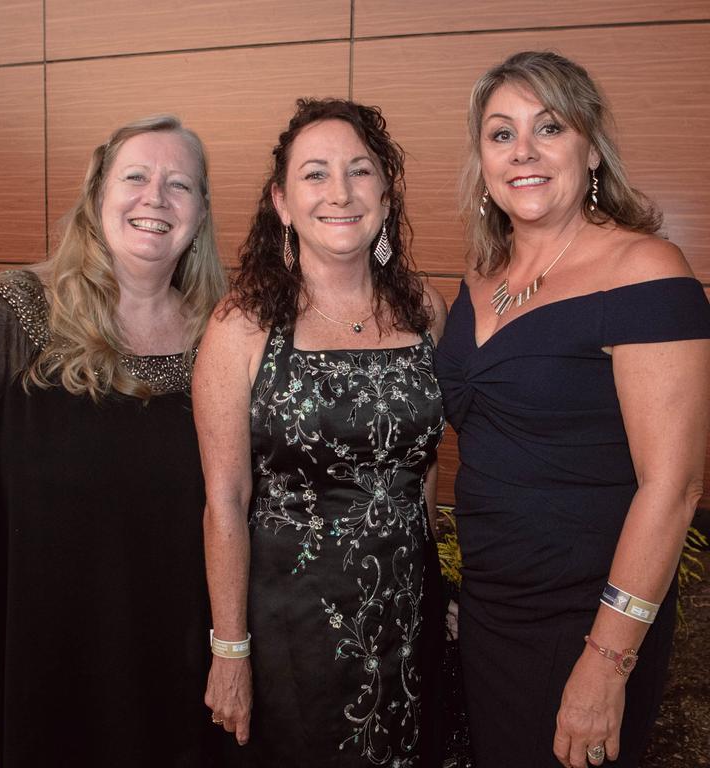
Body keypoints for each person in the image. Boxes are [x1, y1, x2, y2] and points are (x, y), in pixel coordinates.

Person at [434, 50, 710, 768]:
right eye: (500, 133)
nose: (522, 151)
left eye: (548, 127)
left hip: (587, 622)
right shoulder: (479, 277)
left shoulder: (646, 270)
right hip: (489, 608)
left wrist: (607, 663)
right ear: (483, 160)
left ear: (590, 147)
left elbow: (673, 488)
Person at [0, 115, 227, 767]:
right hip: (50, 655)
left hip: (180, 663)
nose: (155, 197)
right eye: (136, 176)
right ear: (98, 193)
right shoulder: (12, 313)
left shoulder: (226, 331)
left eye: (179, 184)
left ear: (201, 212)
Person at [193, 98, 452, 767]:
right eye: (314, 174)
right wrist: (229, 650)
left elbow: (423, 470)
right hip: (293, 628)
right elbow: (223, 501)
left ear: (386, 195)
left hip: (410, 613)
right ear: (281, 203)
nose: (339, 192)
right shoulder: (241, 326)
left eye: (359, 171)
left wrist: (445, 585)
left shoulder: (426, 309)